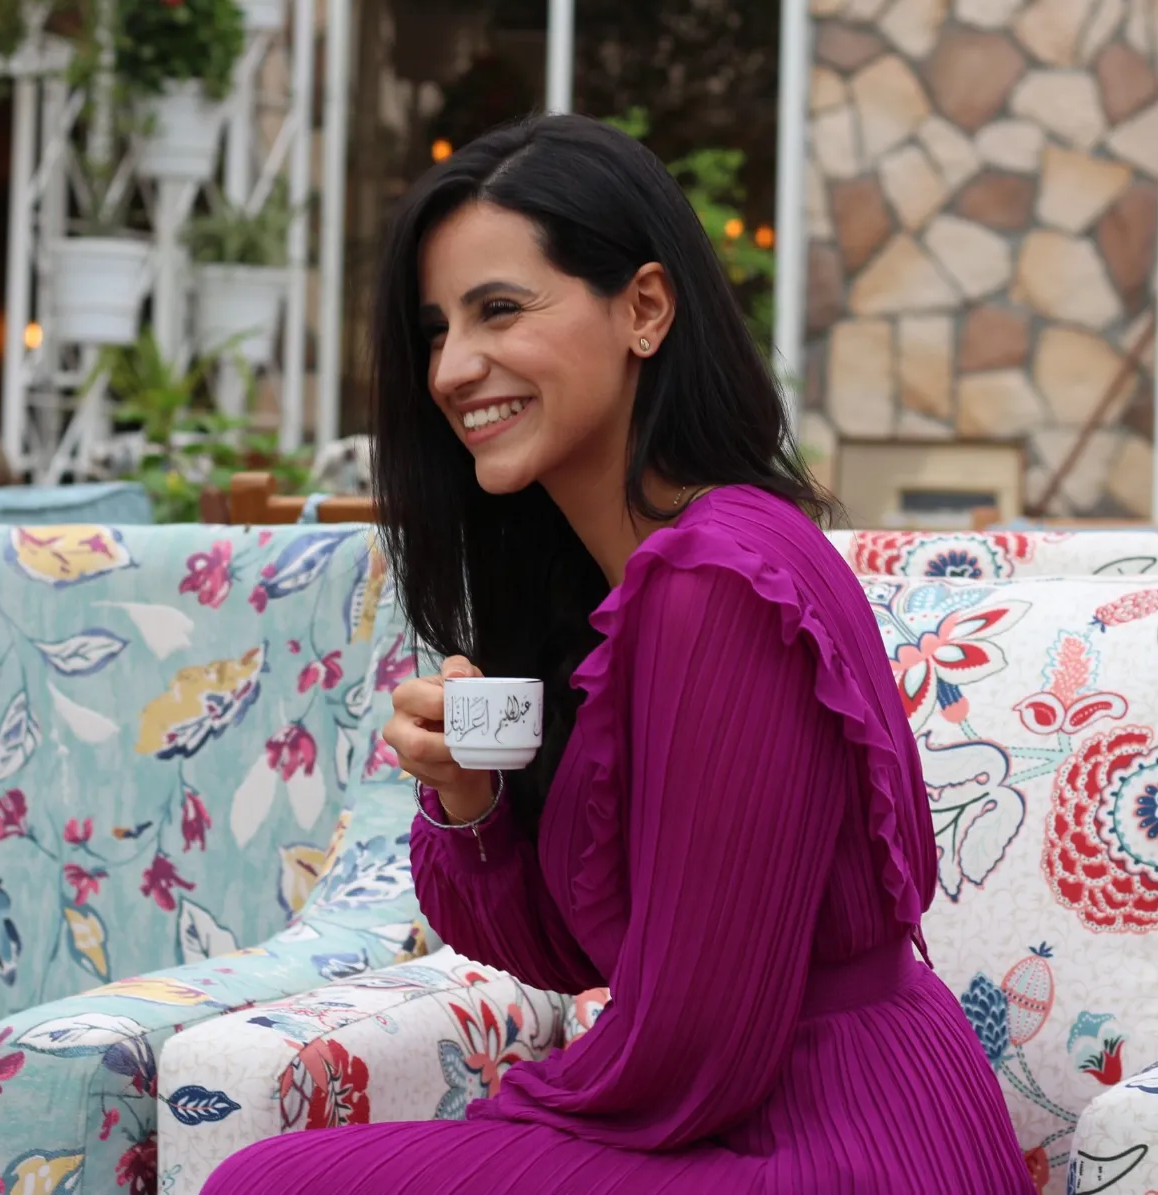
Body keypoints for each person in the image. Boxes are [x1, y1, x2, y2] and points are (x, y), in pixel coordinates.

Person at [201, 114, 1032, 1194]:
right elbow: (569, 956)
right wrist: (470, 802)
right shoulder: (622, 588)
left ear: (643, 308)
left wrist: (500, 1120)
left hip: (826, 1137)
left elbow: (693, 1048)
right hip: (755, 1109)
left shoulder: (716, 582)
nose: (452, 368)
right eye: (434, 330)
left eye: (500, 309)